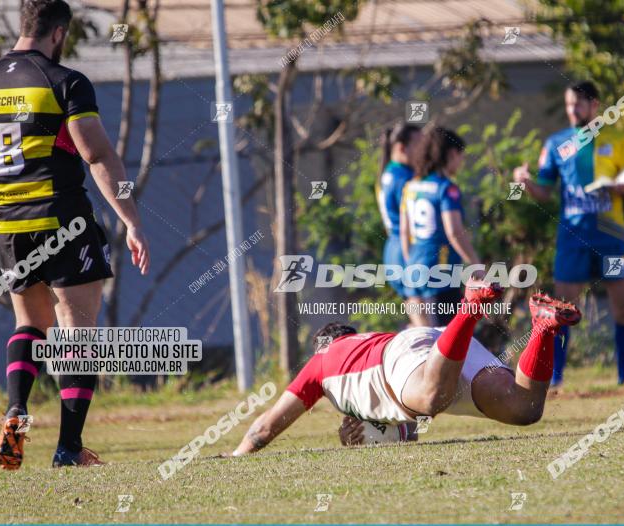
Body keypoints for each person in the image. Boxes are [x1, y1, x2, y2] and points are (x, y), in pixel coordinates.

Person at [0, 0, 150, 469]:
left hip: (8, 223)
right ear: (59, 32)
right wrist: (131, 219)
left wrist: (5, 199)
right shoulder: (65, 82)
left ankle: (16, 410)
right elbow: (96, 156)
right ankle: (68, 449)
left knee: (29, 325)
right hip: (63, 220)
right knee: (77, 335)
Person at [231, 279, 581, 454]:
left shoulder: (321, 360)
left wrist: (237, 457)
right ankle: (543, 327)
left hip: (403, 360)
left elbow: (264, 428)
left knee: (431, 398)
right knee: (525, 408)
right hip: (432, 343)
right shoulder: (364, 341)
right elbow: (409, 426)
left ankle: (470, 306)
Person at [513, 80, 624, 386]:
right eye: (569, 104)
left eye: (578, 104)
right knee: (564, 310)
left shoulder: (619, 140)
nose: (572, 110)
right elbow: (545, 191)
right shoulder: (557, 143)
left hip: (612, 236)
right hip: (573, 237)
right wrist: (526, 182)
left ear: (595, 105)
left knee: (623, 306)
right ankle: (556, 379)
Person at [400, 126, 480, 326]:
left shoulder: (410, 186)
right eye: (461, 156)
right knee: (445, 346)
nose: (461, 162)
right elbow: (454, 232)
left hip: (413, 272)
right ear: (453, 154)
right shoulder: (446, 188)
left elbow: (404, 231)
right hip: (440, 275)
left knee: (425, 343)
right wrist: (476, 265)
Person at [376, 122, 421, 323]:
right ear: (402, 148)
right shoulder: (404, 177)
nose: (423, 151)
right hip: (407, 249)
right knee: (430, 325)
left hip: (393, 248)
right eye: (419, 145)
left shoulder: (386, 174)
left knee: (417, 317)